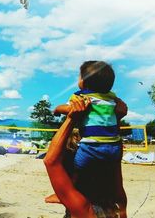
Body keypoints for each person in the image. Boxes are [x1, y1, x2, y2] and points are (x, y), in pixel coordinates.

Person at [50, 61, 127, 208]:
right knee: (112, 174)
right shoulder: (111, 98)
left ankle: (64, 194)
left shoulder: (82, 97)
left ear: (84, 81)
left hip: (91, 146)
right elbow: (117, 108)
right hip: (114, 146)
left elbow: (69, 109)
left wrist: (57, 109)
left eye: (79, 76)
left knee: (76, 170)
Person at [45, 95, 128, 218]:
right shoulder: (115, 206)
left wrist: (71, 118)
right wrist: (114, 119)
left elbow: (51, 161)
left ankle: (62, 192)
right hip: (105, 199)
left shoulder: (82, 208)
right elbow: (116, 180)